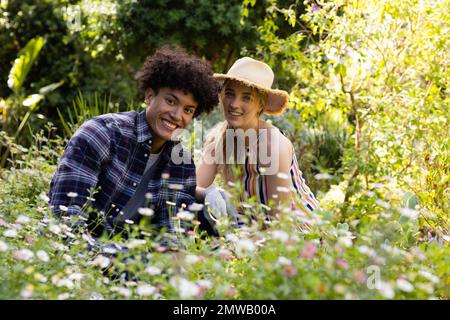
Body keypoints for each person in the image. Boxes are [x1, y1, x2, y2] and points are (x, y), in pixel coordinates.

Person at [49, 46, 220, 243]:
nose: (177, 115)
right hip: (82, 253)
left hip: (133, 259)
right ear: (149, 96)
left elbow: (171, 235)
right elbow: (65, 224)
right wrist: (125, 264)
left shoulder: (180, 161)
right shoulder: (101, 134)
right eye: (171, 101)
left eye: (188, 110)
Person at [196, 57, 319, 228]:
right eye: (230, 94)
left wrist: (234, 246)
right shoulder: (219, 139)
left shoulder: (273, 146)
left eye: (246, 98)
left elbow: (279, 225)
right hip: (250, 231)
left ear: (261, 104)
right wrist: (209, 192)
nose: (234, 104)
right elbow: (193, 188)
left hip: (296, 234)